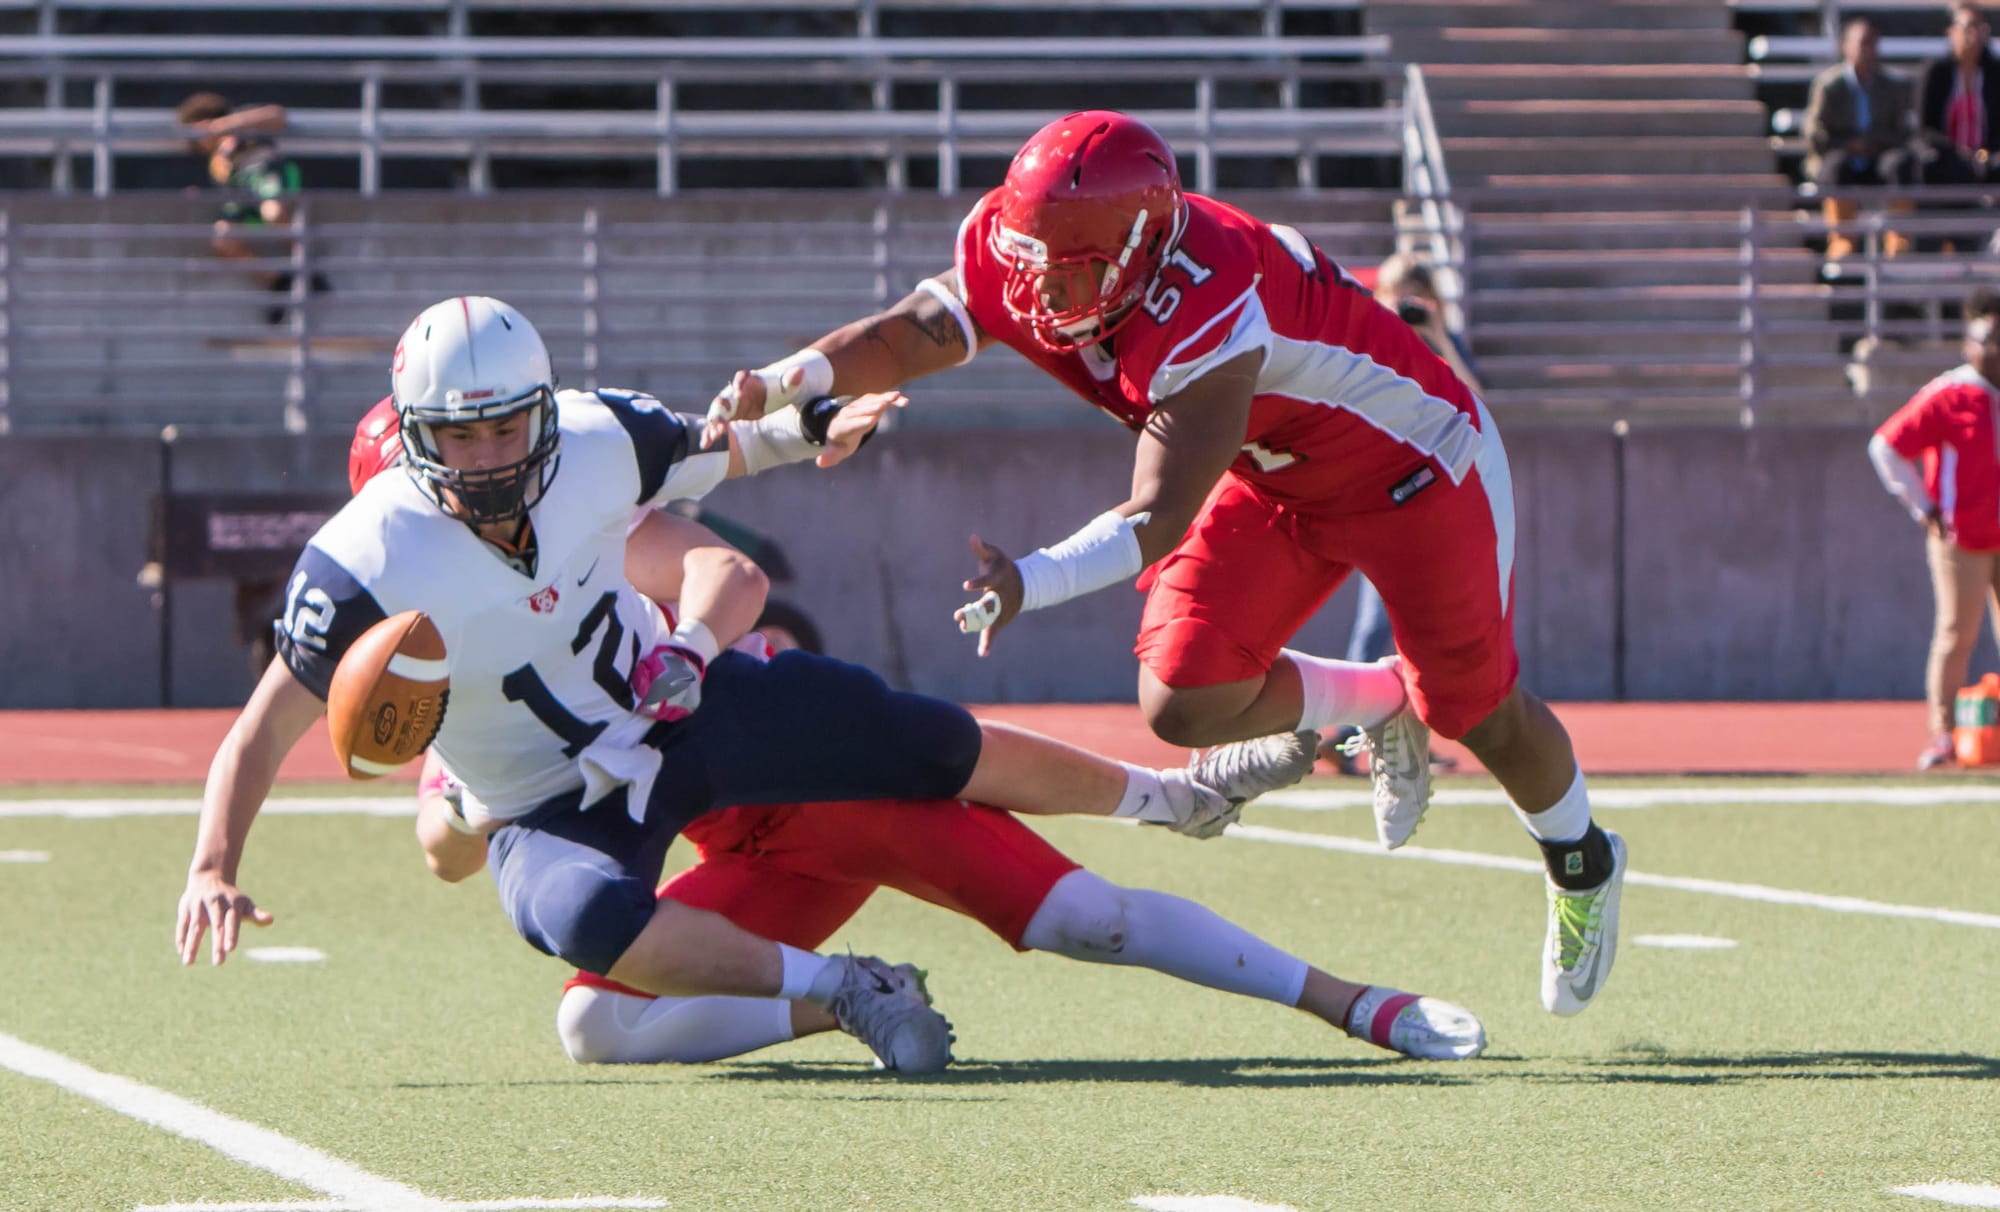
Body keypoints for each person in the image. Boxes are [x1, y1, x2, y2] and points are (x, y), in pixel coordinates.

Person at [175, 296, 1282, 1075]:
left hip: (673, 709)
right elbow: (263, 729)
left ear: (543, 410)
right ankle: (844, 988)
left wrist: (814, 429)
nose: (485, 457)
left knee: (909, 740)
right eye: (455, 438)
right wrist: (216, 866)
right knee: (578, 916)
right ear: (415, 442)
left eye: (505, 425)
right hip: (547, 801)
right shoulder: (362, 561)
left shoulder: (598, 438)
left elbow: (721, 450)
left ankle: (1167, 796)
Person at [705, 111, 1627, 1018]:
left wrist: (1030, 579)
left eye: (1075, 278)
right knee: (1185, 697)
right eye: (1036, 270)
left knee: (1475, 711)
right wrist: (790, 381)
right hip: (1276, 475)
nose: (1046, 300)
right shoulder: (1030, 245)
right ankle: (1383, 702)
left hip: (1417, 474)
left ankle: (1582, 859)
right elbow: (913, 327)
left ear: (1143, 250)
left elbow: (1151, 518)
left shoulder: (1212, 305)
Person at [1324, 254, 1478, 775]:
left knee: (1416, 628)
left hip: (1432, 501)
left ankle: (1398, 739)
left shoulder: (1441, 347)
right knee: (1378, 625)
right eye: (1396, 294)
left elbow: (1478, 406)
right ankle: (1354, 735)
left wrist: (1435, 329)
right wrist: (1384, 321)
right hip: (1379, 495)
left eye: (1414, 296)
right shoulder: (1367, 338)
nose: (1405, 306)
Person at [1868, 289, 2000, 770]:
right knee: (1955, 633)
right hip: (1961, 538)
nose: (1993, 351)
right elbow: (1885, 446)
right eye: (1985, 341)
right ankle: (1942, 734)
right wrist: (1924, 507)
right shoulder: (1951, 394)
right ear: (1969, 345)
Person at [177, 92, 329, 324]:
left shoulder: (241, 122)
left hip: (267, 177)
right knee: (223, 238)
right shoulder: (216, 161)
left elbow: (277, 116)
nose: (201, 138)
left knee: (273, 211)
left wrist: (223, 126)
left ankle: (308, 268)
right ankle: (278, 281)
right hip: (245, 197)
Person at [1803, 20, 1917, 260]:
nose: (1868, 50)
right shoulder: (1829, 86)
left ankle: (1898, 238)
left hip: (1879, 157)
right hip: (1843, 158)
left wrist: (1874, 143)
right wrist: (1848, 144)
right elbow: (1814, 132)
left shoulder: (1891, 86)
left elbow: (1903, 131)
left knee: (1900, 163)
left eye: (1873, 44)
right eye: (1863, 43)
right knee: (1835, 166)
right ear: (1846, 46)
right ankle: (1842, 240)